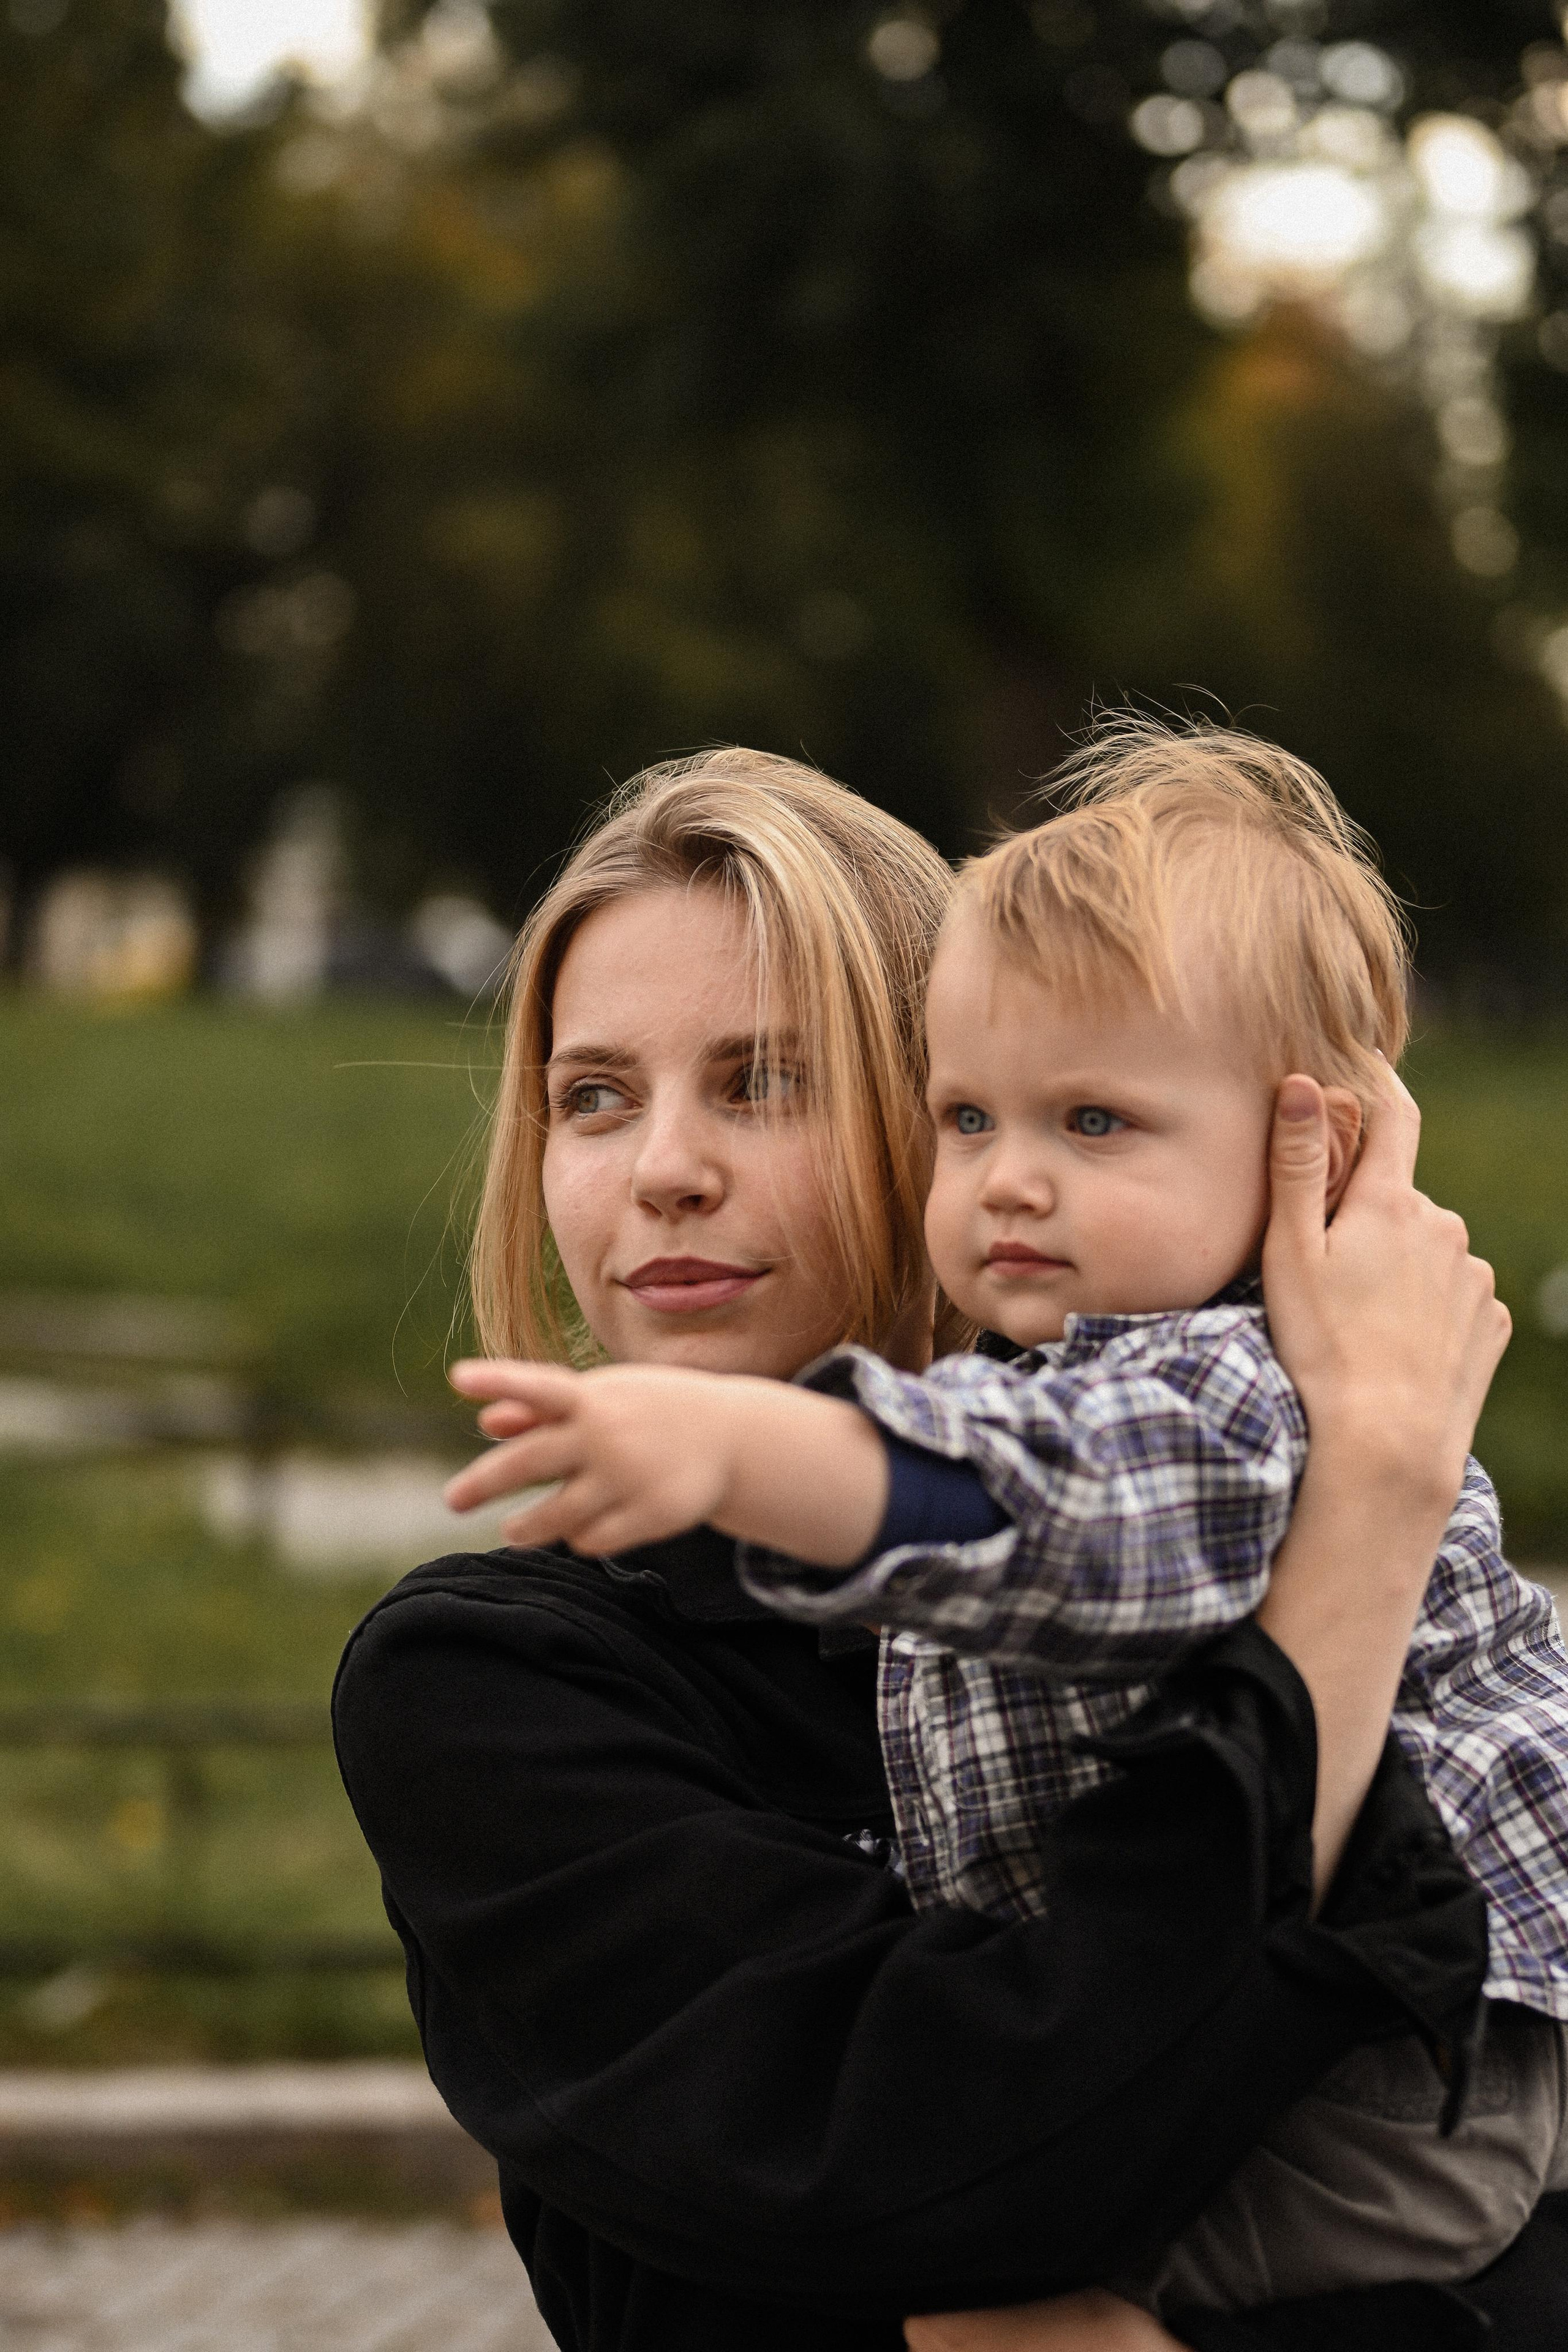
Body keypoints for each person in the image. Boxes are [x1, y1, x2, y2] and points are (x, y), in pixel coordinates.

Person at [340, 748, 1526, 2352]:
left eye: (768, 1081)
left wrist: (1372, 1482)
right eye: (593, 1095)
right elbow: (942, 2172)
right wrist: (1371, 1513)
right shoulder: (494, 1680)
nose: (663, 1170)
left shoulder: (1180, 1478)